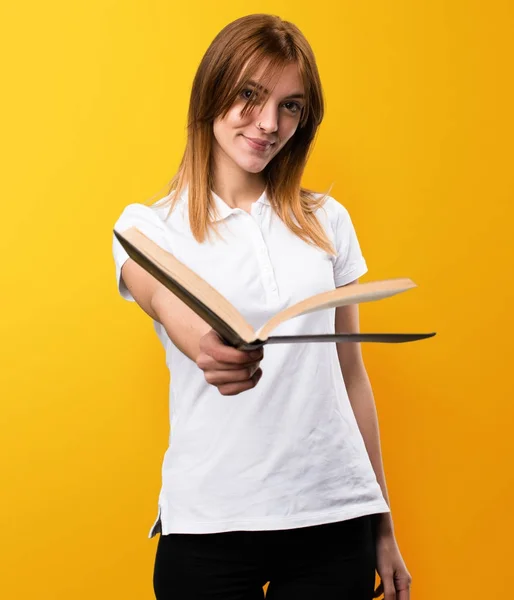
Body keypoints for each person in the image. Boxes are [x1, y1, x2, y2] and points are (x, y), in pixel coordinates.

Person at [112, 13, 412, 600]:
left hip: (333, 516)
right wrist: (207, 345)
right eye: (250, 96)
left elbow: (351, 376)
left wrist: (383, 524)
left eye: (291, 106)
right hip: (210, 523)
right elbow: (165, 300)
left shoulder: (327, 219)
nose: (269, 124)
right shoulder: (147, 228)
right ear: (212, 91)